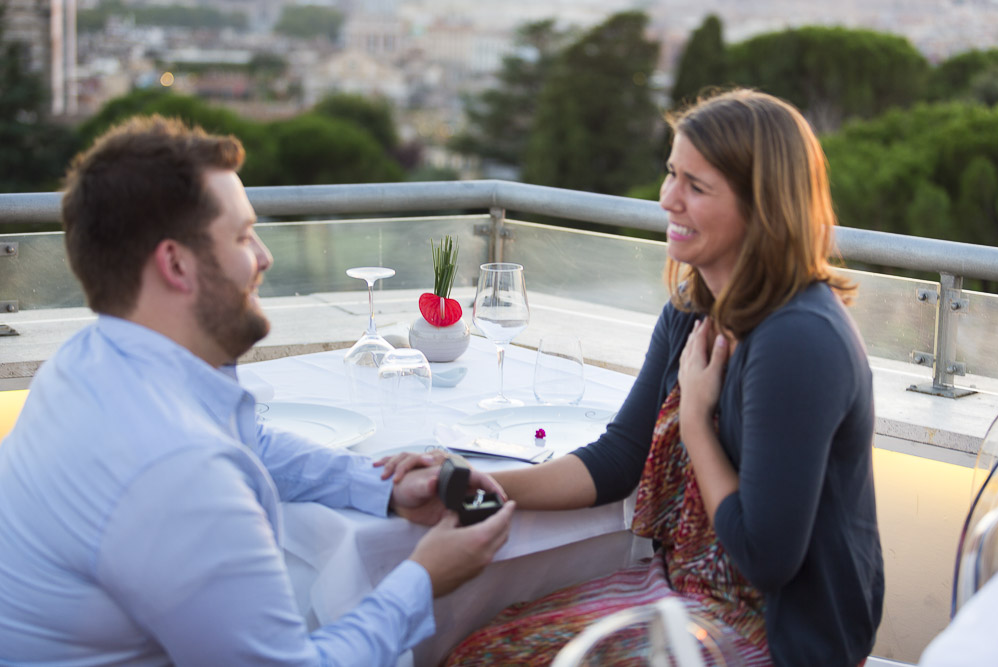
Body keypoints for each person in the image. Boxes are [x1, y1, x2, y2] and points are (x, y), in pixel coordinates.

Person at [381, 89, 884, 666]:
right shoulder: (693, 307)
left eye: (697, 187)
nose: (668, 199)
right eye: (672, 174)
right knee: (475, 647)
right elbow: (620, 457)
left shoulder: (799, 339)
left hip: (780, 634)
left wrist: (695, 421)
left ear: (764, 206)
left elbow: (766, 558)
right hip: (687, 592)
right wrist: (480, 481)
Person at [0, 115, 515, 666]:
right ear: (175, 263)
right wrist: (424, 578)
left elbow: (247, 441)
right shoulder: (177, 472)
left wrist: (379, 486)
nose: (265, 257)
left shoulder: (88, 362)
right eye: (244, 235)